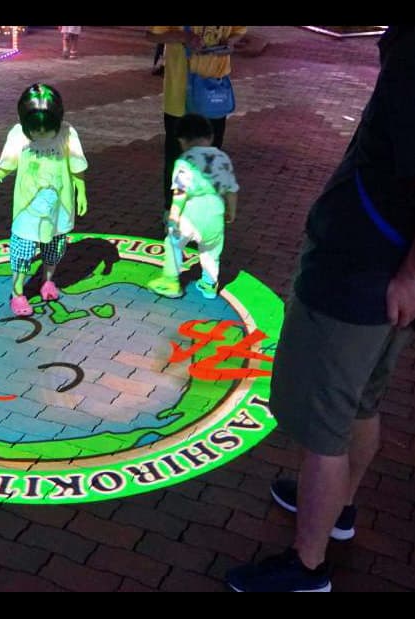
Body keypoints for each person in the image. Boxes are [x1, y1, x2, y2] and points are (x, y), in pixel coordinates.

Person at [226, 25, 415, 593]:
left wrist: (410, 274)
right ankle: (339, 511)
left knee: (325, 423)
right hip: (379, 263)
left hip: (361, 264)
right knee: (360, 399)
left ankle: (307, 566)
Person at [0, 83, 89, 316]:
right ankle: (17, 292)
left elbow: (76, 165)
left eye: (46, 130)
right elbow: (9, 161)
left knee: (55, 246)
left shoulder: (67, 134)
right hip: (27, 210)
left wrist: (81, 190)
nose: (41, 135)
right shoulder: (18, 135)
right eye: (35, 130)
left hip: (58, 207)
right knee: (22, 250)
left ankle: (47, 280)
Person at [146, 26, 246, 211]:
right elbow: (152, 35)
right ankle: (172, 209)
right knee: (177, 157)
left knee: (212, 155)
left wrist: (230, 42)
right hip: (180, 95)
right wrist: (184, 37)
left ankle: (203, 208)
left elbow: (238, 31)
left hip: (214, 92)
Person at [147, 114, 239, 300]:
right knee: (211, 251)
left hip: (191, 213)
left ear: (182, 140)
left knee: (173, 243)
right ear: (210, 136)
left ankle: (171, 282)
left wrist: (173, 218)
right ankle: (209, 284)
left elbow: (180, 193)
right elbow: (231, 190)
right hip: (215, 212)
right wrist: (232, 211)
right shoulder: (222, 158)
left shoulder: (184, 161)